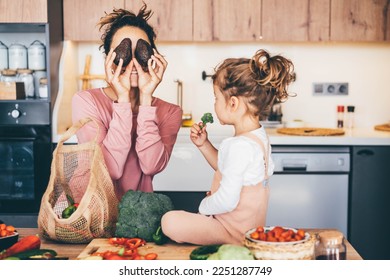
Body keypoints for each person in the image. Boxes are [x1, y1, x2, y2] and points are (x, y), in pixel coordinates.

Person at [161, 49, 295, 245]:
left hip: (230, 232)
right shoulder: (258, 137)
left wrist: (203, 207)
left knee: (169, 221)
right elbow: (228, 170)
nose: (215, 103)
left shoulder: (238, 146)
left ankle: (230, 243)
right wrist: (204, 145)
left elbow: (227, 201)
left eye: (216, 98)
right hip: (250, 230)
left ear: (232, 103)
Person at [71, 4, 182, 200]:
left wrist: (146, 100)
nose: (132, 63)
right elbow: (109, 170)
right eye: (124, 51)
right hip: (90, 215)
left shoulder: (170, 112)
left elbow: (151, 165)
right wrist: (123, 99)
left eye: (140, 51)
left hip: (137, 217)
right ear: (109, 59)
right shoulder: (86, 101)